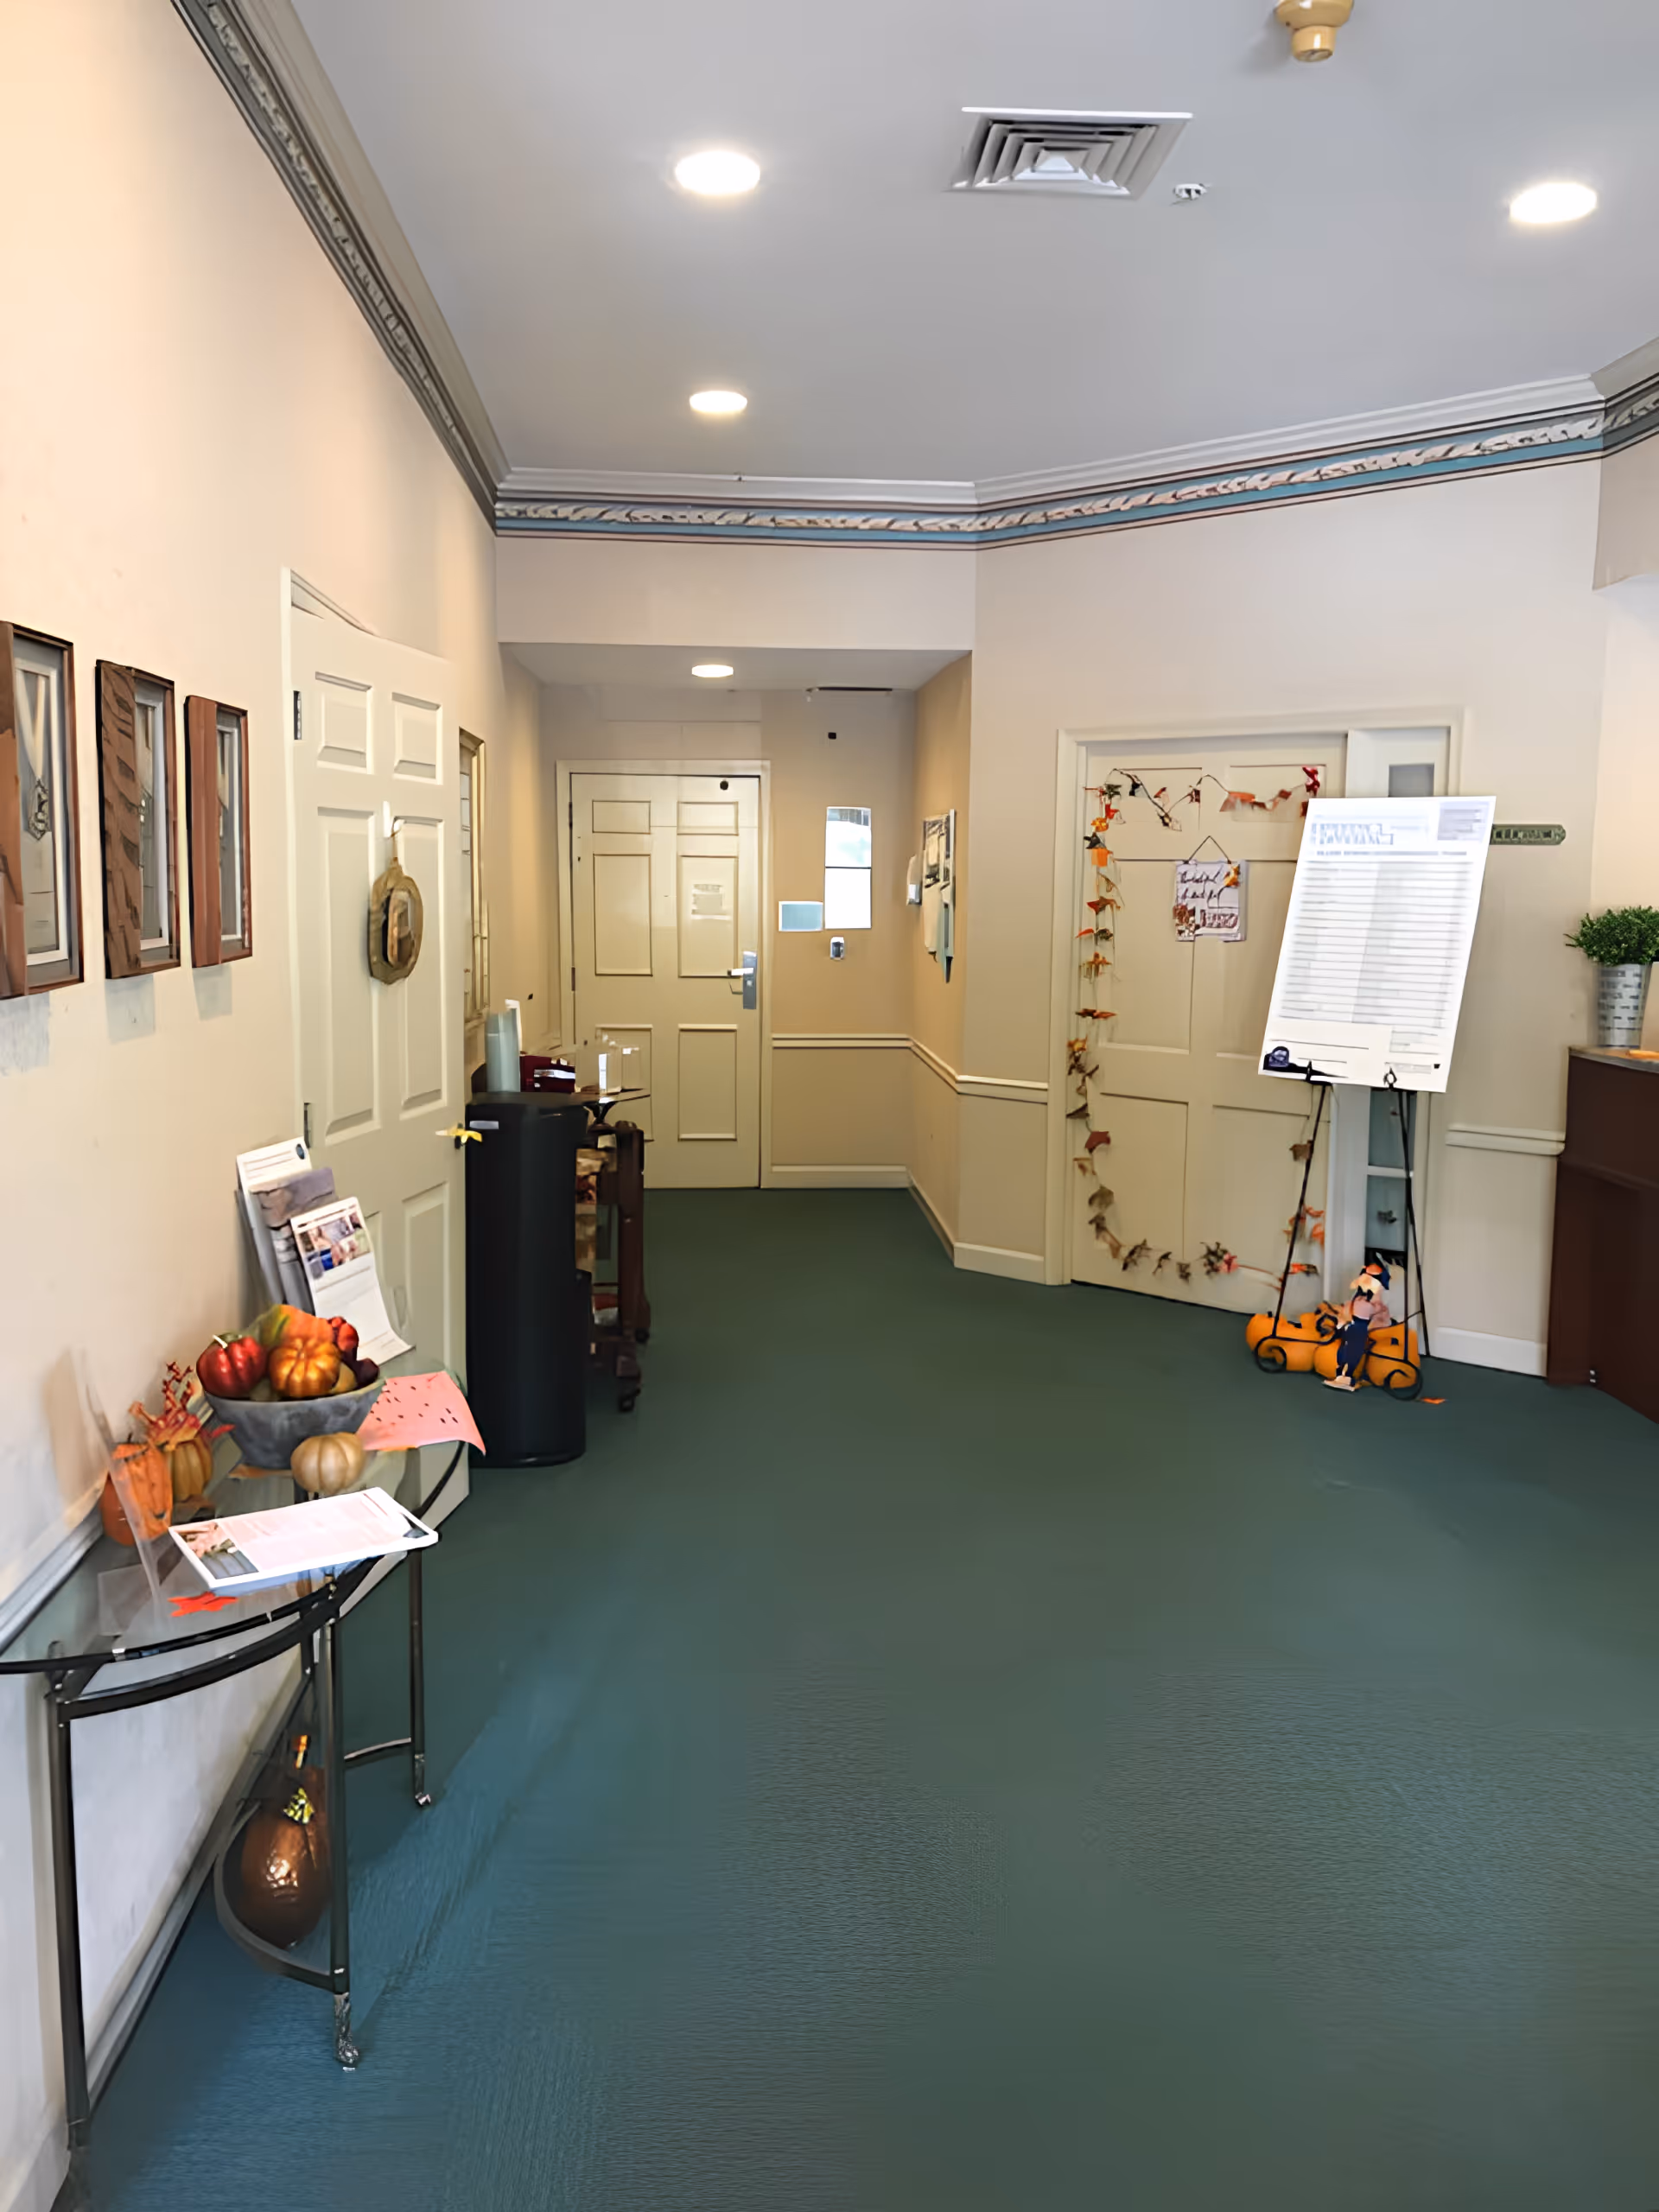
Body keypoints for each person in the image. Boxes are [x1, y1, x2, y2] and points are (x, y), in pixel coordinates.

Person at [1322, 1261, 1392, 1390]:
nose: (1366, 1278)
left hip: (1367, 1326)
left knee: (1355, 1338)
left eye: (1372, 1276)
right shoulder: (1360, 1296)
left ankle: (1346, 1377)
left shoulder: (1378, 1298)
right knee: (1346, 1341)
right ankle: (1342, 1373)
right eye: (1366, 1274)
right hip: (1353, 1322)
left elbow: (1374, 1314)